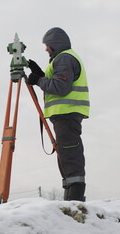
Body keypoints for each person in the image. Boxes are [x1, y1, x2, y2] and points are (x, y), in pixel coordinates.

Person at [27, 27, 90, 201]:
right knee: (66, 152)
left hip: (67, 113)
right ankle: (71, 195)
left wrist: (39, 80)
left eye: (47, 45)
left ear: (55, 44)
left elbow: (60, 87)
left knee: (70, 152)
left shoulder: (64, 58)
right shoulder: (61, 59)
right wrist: (41, 75)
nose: (46, 49)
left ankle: (75, 198)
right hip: (65, 114)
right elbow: (56, 82)